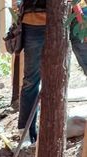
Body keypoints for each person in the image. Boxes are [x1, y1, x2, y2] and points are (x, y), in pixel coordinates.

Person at [19, 0, 87, 142]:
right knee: (31, 81)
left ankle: (29, 135)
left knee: (32, 81)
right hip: (36, 17)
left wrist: (80, 16)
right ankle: (26, 135)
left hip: (72, 15)